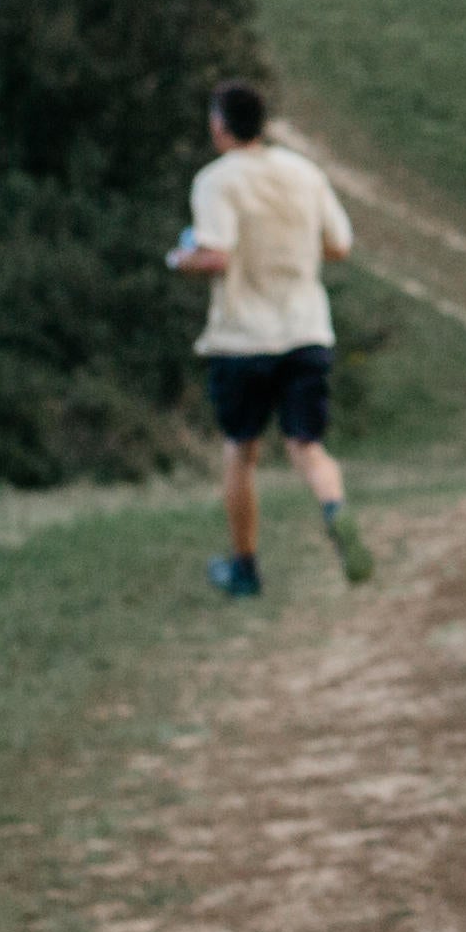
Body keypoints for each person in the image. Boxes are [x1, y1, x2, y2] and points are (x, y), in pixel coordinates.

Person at [172, 85, 373, 594]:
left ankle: (244, 568)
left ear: (221, 126)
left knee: (241, 450)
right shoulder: (304, 173)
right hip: (305, 329)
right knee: (308, 445)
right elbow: (340, 245)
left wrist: (180, 260)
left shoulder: (216, 181)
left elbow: (215, 254)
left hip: (243, 338)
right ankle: (334, 509)